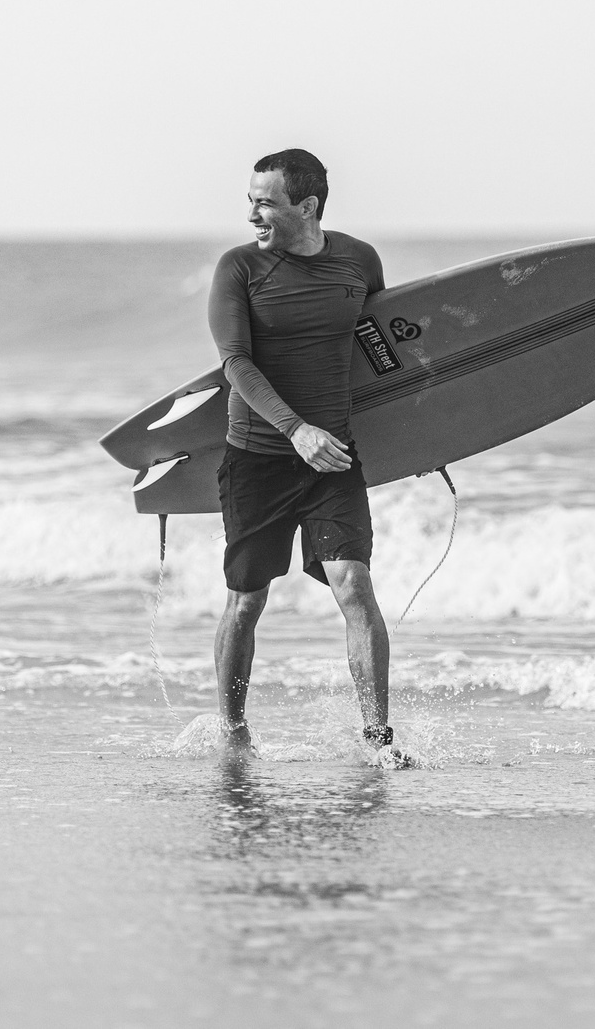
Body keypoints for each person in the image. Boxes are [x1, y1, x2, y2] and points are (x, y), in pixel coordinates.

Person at [207, 148, 413, 767]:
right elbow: (235, 364)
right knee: (248, 599)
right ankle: (234, 733)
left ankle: (378, 740)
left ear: (308, 206)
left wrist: (429, 431)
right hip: (259, 456)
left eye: (264, 202)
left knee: (354, 584)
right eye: (250, 201)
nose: (252, 214)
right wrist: (295, 429)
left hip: (333, 458)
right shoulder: (239, 268)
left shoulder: (358, 261)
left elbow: (378, 349)